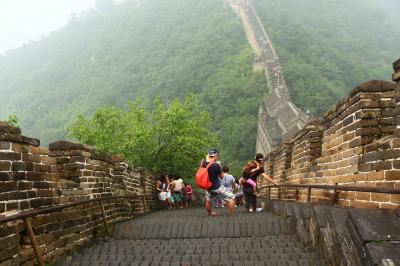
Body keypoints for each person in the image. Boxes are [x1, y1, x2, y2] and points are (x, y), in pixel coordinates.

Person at [203, 148, 235, 216]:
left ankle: (209, 214)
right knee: (231, 198)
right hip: (216, 187)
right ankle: (232, 215)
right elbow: (221, 177)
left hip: (208, 186)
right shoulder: (216, 165)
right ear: (216, 155)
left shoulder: (203, 163)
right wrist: (219, 167)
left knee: (208, 200)